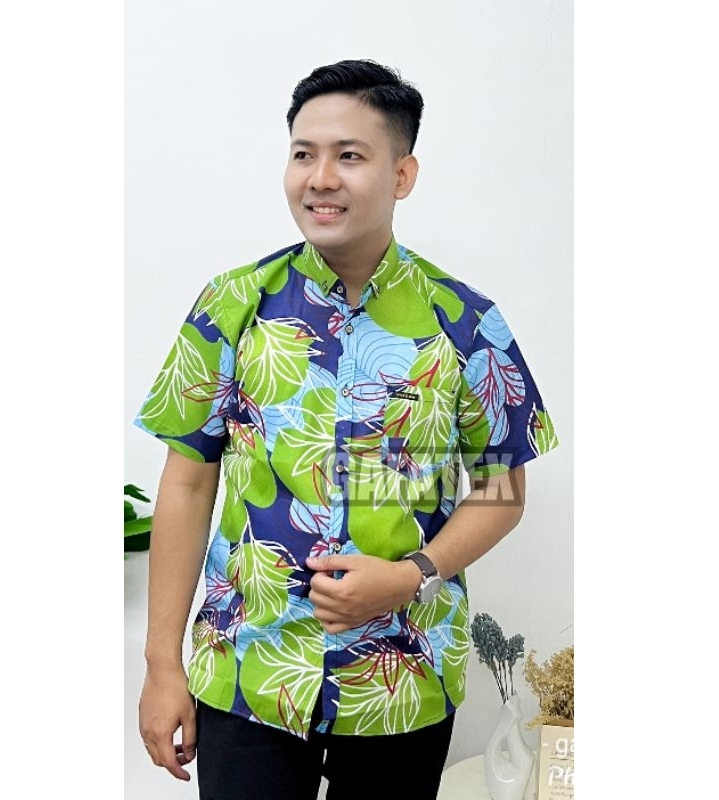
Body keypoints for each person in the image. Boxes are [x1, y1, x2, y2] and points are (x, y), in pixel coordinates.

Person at [134, 58, 559, 800]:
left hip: (403, 677)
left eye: (350, 156)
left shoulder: (466, 323)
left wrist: (411, 575)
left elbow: (501, 489)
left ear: (403, 174)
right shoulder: (233, 305)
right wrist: (162, 665)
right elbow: (188, 482)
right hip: (248, 670)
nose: (320, 178)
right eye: (304, 153)